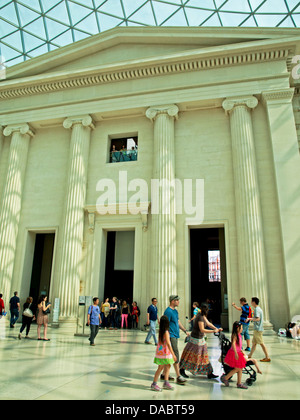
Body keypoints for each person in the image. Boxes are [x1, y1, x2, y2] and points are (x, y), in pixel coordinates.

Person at [179, 302, 222, 379]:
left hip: (200, 339)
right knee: (190, 355)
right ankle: (182, 369)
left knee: (204, 356)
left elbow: (208, 324)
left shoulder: (203, 315)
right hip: (195, 339)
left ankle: (209, 372)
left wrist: (216, 328)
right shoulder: (200, 316)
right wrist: (213, 331)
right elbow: (202, 329)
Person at [221, 321, 262, 389]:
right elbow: (233, 344)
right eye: (241, 327)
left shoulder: (239, 335)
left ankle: (239, 383)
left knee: (240, 368)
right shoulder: (235, 335)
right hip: (234, 353)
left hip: (238, 352)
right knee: (238, 368)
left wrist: (241, 351)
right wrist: (236, 353)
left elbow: (238, 346)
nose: (242, 329)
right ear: (237, 328)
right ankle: (226, 377)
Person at [163, 295, 190, 385]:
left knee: (169, 355)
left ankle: (163, 374)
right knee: (175, 354)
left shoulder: (175, 311)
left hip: (175, 335)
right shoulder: (168, 311)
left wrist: (185, 330)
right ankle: (178, 376)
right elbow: (165, 325)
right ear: (173, 301)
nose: (178, 302)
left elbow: (177, 322)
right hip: (171, 336)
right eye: (177, 300)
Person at [150, 315, 177, 392]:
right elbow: (168, 343)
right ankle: (154, 384)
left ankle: (166, 382)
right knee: (161, 368)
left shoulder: (161, 331)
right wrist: (173, 354)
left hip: (162, 352)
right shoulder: (166, 332)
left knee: (168, 365)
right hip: (165, 353)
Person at [247, 297, 271, 362]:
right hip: (257, 329)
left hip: (258, 329)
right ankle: (250, 355)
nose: (251, 303)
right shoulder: (258, 309)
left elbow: (258, 319)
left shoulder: (257, 310)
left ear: (254, 302)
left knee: (261, 343)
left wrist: (250, 319)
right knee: (254, 343)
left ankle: (267, 356)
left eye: (251, 301)